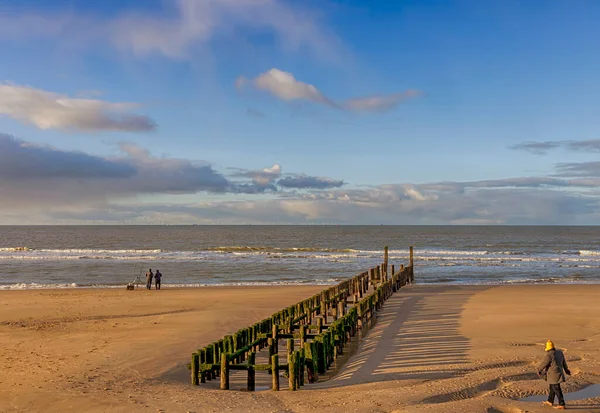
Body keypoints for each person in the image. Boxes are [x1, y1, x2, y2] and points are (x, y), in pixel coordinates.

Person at [537, 340, 570, 410]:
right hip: (559, 373)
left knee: (556, 388)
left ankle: (562, 404)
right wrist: (566, 370)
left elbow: (544, 364)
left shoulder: (549, 355)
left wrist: (538, 369)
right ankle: (550, 401)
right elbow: (564, 362)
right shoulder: (560, 352)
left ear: (548, 349)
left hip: (553, 375)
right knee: (552, 387)